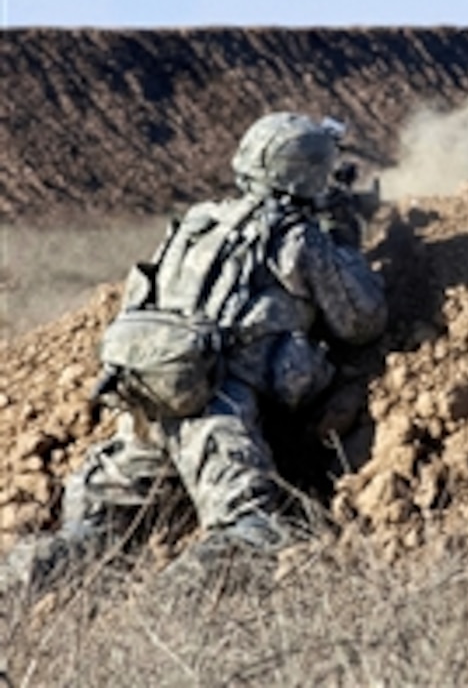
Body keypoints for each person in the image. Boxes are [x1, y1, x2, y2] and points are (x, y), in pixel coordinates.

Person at [1, 112, 387, 591]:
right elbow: (361, 321)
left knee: (88, 534)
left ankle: (14, 590)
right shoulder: (294, 238)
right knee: (251, 532)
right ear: (309, 172)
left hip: (148, 397)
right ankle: (163, 623)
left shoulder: (198, 221)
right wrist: (344, 242)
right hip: (217, 409)